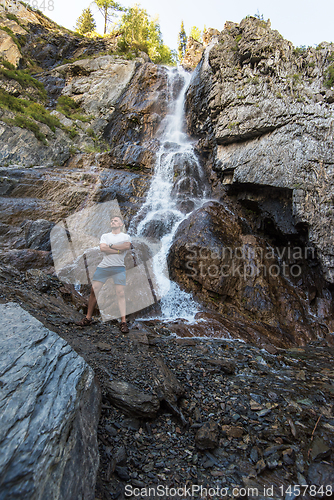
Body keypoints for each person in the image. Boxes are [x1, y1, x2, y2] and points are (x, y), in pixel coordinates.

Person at [76, 215, 131, 333]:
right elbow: (102, 248)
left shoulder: (125, 236)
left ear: (121, 224)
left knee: (120, 293)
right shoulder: (105, 236)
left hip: (119, 267)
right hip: (104, 266)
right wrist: (117, 249)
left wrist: (110, 246)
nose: (113, 222)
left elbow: (127, 246)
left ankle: (123, 322)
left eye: (115, 220)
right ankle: (88, 318)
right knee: (94, 290)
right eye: (111, 221)